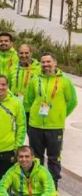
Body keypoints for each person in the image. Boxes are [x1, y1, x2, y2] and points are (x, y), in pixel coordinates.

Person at [24, 52, 77, 188]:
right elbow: (28, 101)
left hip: (55, 126)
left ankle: (53, 185)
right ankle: (37, 183)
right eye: (43, 62)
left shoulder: (65, 81)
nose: (46, 64)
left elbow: (72, 102)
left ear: (55, 63)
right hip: (36, 125)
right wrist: (33, 116)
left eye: (48, 62)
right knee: (36, 157)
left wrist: (60, 115)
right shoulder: (35, 80)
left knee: (54, 158)